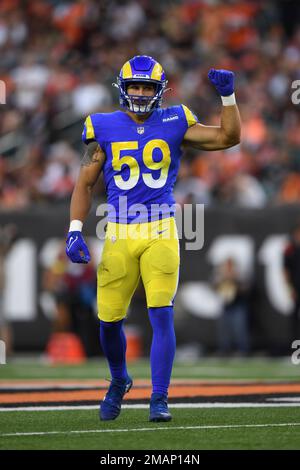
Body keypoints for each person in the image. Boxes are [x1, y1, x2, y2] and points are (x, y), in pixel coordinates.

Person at [66, 55, 241, 422]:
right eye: (136, 87)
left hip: (161, 226)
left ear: (160, 91)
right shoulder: (102, 125)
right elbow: (84, 183)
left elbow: (229, 137)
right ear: (124, 89)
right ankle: (119, 380)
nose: (142, 93)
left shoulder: (176, 119)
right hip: (118, 230)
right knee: (109, 321)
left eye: (148, 87)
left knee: (161, 313)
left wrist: (228, 98)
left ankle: (159, 398)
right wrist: (75, 230)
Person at [283, 222, 300, 344]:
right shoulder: (290, 250)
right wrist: (290, 289)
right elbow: (285, 271)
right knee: (294, 319)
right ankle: (296, 348)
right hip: (296, 288)